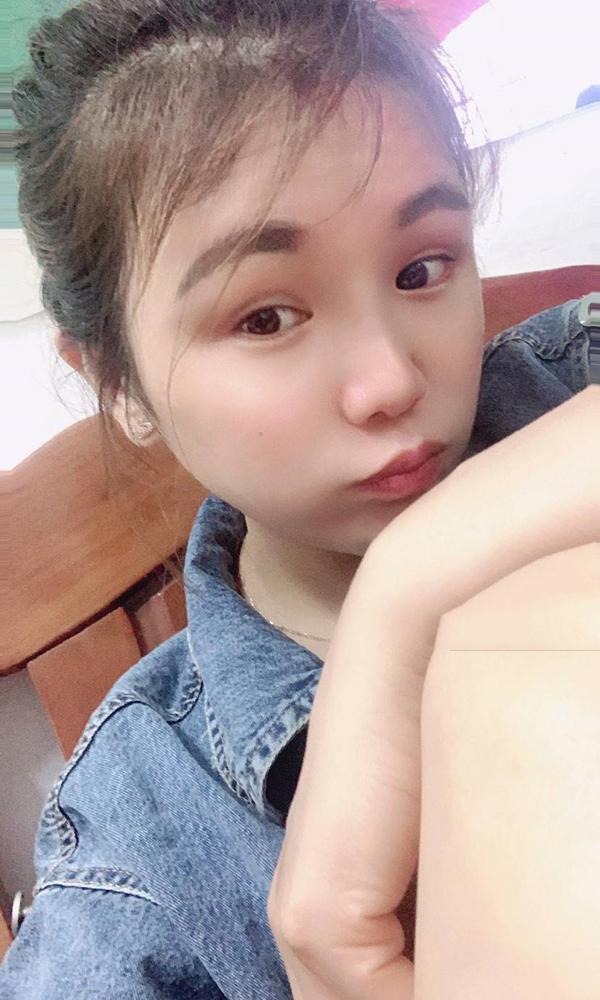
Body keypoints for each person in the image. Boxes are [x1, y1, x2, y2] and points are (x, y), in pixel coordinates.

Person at [2, 1, 597, 997]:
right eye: (266, 317)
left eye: (422, 268)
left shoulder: (573, 375)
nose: (390, 381)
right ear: (118, 382)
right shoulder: (143, 839)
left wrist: (404, 593)